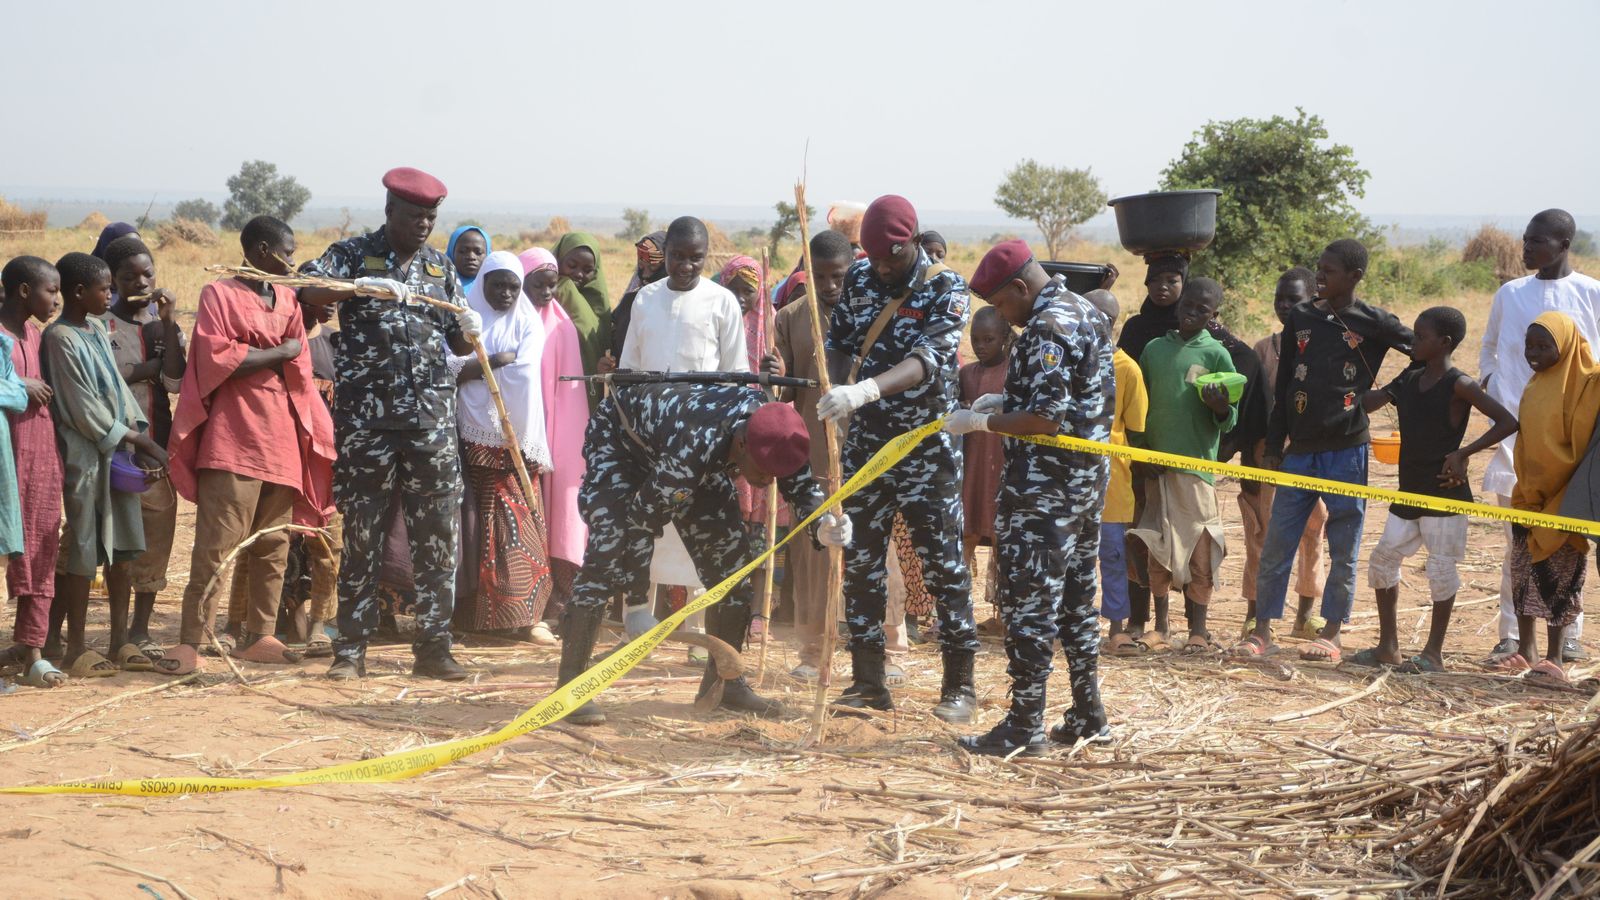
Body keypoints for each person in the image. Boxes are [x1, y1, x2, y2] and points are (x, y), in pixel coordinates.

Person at [555, 387, 851, 724]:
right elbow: (641, 522)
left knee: (732, 567)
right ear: (742, 445)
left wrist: (823, 525)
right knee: (609, 550)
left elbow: (802, 488)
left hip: (695, 451)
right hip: (622, 442)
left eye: (775, 475)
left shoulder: (779, 433)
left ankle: (725, 685)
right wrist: (636, 604)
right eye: (762, 472)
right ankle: (570, 687)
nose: (769, 481)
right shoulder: (692, 450)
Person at [298, 167, 484, 681]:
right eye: (414, 216)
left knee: (437, 537)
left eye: (430, 217)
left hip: (430, 424)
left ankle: (434, 647)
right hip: (368, 424)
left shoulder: (440, 267)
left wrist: (469, 329)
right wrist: (355, 287)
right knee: (362, 535)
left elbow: (457, 341)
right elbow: (308, 290)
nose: (423, 225)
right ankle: (350, 650)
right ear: (390, 211)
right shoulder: (352, 255)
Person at [948, 239, 1112, 754]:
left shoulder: (1046, 326)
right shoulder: (1084, 309)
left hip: (1045, 491)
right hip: (1085, 486)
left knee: (1030, 606)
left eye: (1001, 304)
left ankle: (1024, 726)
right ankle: (1088, 713)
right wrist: (1007, 399)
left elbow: (1045, 419)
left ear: (1021, 287)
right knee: (1078, 602)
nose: (1002, 316)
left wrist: (982, 421)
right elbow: (1074, 396)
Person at [817, 195, 976, 722]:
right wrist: (836, 387)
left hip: (926, 448)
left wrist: (865, 390)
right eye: (876, 259)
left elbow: (927, 361)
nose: (883, 269)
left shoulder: (946, 287)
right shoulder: (861, 279)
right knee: (861, 564)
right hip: (868, 444)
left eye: (892, 258)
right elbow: (840, 341)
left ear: (911, 241)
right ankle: (868, 682)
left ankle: (959, 687)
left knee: (943, 566)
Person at [158, 216, 336, 675]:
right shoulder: (218, 295)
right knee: (215, 546)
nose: (292, 262)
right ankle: (191, 640)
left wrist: (257, 355)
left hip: (282, 439)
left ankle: (260, 635)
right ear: (261, 250)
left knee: (273, 544)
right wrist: (277, 353)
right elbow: (216, 357)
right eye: (287, 253)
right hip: (233, 438)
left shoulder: (287, 299)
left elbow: (297, 362)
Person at [1236, 239, 1413, 662]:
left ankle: (1332, 633)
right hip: (1299, 450)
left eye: (1328, 271)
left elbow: (1424, 352)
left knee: (1343, 545)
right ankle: (1263, 632)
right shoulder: (1302, 317)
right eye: (1318, 268)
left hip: (1347, 449)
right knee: (1278, 541)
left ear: (1354, 276)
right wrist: (1275, 444)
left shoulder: (1373, 321)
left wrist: (1388, 393)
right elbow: (1285, 386)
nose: (1320, 276)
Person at [1349, 307, 1517, 672]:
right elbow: (1368, 405)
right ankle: (1388, 647)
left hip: (1444, 491)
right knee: (1382, 562)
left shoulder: (1460, 383)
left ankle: (1433, 653)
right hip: (1409, 489)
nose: (1413, 342)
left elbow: (1507, 421)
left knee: (1440, 571)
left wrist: (1463, 453)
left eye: (1420, 337)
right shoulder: (1411, 379)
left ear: (1444, 343)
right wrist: (1383, 382)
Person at [616, 217, 750, 660]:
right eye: (677, 257)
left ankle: (699, 636)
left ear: (706, 257)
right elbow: (631, 370)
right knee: (644, 534)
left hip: (702, 444)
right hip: (650, 442)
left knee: (700, 544)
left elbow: (736, 376)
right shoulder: (645, 299)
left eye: (696, 258)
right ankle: (636, 628)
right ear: (666, 254)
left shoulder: (722, 301)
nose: (686, 266)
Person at [1479, 209, 1600, 662]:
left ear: (1563, 244)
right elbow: (1489, 347)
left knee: (1570, 542)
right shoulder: (1510, 293)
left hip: (1575, 445)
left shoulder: (1592, 293)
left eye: (1537, 241)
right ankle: (1512, 635)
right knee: (1518, 542)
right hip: (1516, 435)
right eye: (1525, 240)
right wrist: (1493, 384)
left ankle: (1568, 636)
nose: (1526, 248)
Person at [43, 252, 167, 679]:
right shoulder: (59, 338)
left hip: (117, 454)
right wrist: (137, 439)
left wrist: (136, 438)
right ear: (79, 292)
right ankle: (76, 648)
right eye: (105, 289)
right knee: (83, 546)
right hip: (85, 456)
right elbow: (81, 408)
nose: (110, 296)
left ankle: (119, 640)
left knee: (124, 547)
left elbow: (118, 389)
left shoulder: (96, 328)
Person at [449, 251, 554, 643]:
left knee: (515, 523)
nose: (506, 294)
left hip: (513, 441)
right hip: (469, 437)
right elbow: (449, 366)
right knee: (473, 525)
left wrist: (476, 370)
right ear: (483, 285)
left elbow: (524, 374)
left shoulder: (528, 322)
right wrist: (492, 361)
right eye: (498, 286)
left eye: (513, 286)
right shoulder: (465, 318)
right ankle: (470, 617)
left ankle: (521, 614)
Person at [1128, 278, 1237, 652]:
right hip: (1156, 467)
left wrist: (1221, 408)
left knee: (1200, 549)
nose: (1191, 313)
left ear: (1213, 315)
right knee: (1158, 547)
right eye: (1187, 305)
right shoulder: (1154, 349)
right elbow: (1139, 405)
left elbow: (1230, 419)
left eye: (1202, 310)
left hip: (1196, 469)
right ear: (1178, 305)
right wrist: (1141, 452)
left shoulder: (1217, 355)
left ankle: (1198, 631)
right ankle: (1160, 627)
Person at [97, 235, 186, 661]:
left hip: (156, 452)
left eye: (148, 274)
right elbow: (104, 380)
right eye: (129, 276)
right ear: (113, 281)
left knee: (155, 540)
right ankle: (118, 634)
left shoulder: (162, 327)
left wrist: (168, 323)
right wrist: (143, 369)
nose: (141, 282)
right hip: (113, 451)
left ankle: (141, 630)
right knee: (119, 546)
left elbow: (175, 382)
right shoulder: (100, 324)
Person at [772, 230, 853, 679]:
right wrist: (775, 374)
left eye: (838, 277)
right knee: (813, 550)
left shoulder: (869, 312)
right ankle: (812, 648)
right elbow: (784, 392)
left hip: (865, 450)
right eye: (820, 277)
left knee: (870, 547)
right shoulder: (791, 316)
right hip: (815, 454)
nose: (830, 286)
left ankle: (880, 648)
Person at [1504, 313, 1600, 686]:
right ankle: (1526, 649)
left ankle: (1555, 657)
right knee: (1522, 572)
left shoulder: (1590, 383)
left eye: (1544, 346)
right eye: (1529, 345)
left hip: (1568, 495)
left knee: (1559, 578)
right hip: (1530, 494)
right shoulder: (1535, 384)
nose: (1533, 353)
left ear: (1566, 346)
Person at [1246, 268, 1328, 639]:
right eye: (1279, 299)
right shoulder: (1264, 350)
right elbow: (1252, 408)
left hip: (1311, 453)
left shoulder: (1325, 347)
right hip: (1270, 455)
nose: (1284, 306)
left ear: (1313, 300)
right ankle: (1255, 614)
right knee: (1263, 533)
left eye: (1293, 300)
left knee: (1314, 529)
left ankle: (1306, 615)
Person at [0, 257, 65, 687]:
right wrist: (20, 385)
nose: (56, 300)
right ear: (24, 291)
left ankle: (32, 648)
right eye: (50, 291)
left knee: (42, 543)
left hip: (40, 454)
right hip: (6, 455)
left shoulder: (37, 335)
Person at [1116, 254, 1186, 646]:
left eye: (1172, 280)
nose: (1162, 287)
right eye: (1155, 280)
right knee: (1137, 535)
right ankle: (1137, 618)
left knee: (1181, 537)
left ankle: (1177, 622)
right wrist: (1137, 450)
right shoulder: (1136, 329)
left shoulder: (1192, 328)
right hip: (1136, 447)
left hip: (1179, 449)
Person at [520, 247, 586, 635]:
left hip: (554, 436)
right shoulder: (508, 320)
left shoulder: (562, 328)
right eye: (537, 285)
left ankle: (555, 607)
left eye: (552, 285)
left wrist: (552, 446)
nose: (546, 293)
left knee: (559, 512)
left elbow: (571, 399)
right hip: (511, 435)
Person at [1083, 289, 1148, 655]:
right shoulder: (1073, 359)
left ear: (1111, 324)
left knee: (1112, 555)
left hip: (1112, 478)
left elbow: (1135, 428)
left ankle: (1117, 627)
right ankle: (1074, 622)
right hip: (1072, 477)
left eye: (1098, 318)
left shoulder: (1128, 369)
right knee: (1073, 556)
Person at [958, 306, 1010, 620]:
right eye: (975, 339)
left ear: (1004, 338)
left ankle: (1003, 614)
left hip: (1002, 466)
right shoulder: (967, 374)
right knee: (967, 533)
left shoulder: (1014, 373)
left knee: (1004, 537)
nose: (981, 346)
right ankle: (958, 610)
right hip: (973, 465)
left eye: (989, 339)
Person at [552, 232, 612, 405]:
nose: (578, 274)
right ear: (558, 259)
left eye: (587, 270)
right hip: (556, 384)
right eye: (572, 265)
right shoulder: (547, 293)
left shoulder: (599, 301)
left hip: (591, 389)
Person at [609, 231, 667, 362]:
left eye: (653, 267)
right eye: (641, 267)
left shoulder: (678, 305)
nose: (645, 275)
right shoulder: (630, 301)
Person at [446, 225, 491, 294]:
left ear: (487, 254)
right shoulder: (439, 284)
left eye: (478, 252)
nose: (471, 257)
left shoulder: (496, 286)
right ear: (452, 252)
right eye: (463, 251)